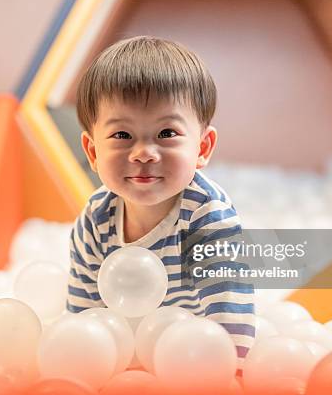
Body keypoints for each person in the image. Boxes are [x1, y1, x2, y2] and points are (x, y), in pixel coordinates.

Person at [67, 36, 255, 372]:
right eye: (121, 135)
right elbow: (84, 316)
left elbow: (230, 317)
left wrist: (231, 373)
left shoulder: (207, 218)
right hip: (130, 356)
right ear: (93, 152)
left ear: (202, 148)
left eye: (166, 133)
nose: (143, 153)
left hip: (193, 357)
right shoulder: (95, 221)